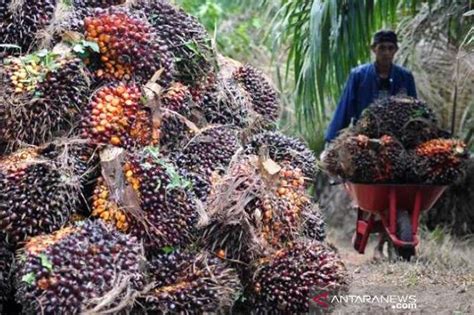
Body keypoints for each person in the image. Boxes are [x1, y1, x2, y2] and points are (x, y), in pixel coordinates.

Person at [324, 30, 417, 143]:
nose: (386, 53)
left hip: (396, 140)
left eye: (390, 48)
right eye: (382, 48)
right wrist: (330, 141)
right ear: (373, 49)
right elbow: (344, 110)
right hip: (363, 138)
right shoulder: (358, 75)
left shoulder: (405, 77)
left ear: (396, 50)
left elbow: (414, 111)